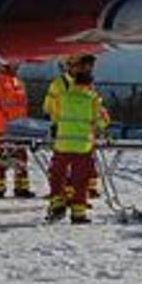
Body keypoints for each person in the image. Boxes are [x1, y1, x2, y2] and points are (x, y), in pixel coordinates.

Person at [46, 60, 110, 224]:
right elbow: (103, 122)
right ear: (89, 84)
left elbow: (53, 113)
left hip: (62, 145)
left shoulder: (63, 97)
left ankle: (57, 203)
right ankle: (78, 214)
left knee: (57, 175)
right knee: (80, 180)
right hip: (83, 146)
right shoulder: (93, 99)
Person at [43, 54, 102, 200]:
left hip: (81, 134)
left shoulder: (86, 83)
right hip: (66, 133)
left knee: (82, 168)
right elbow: (49, 108)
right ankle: (69, 196)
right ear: (72, 65)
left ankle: (80, 194)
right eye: (84, 66)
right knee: (65, 168)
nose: (88, 70)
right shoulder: (59, 84)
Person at [0, 63, 35, 198]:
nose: (17, 65)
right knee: (1, 158)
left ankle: (22, 187)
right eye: (14, 64)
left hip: (19, 128)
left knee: (21, 156)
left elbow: (23, 106)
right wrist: (6, 124)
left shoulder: (18, 82)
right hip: (3, 129)